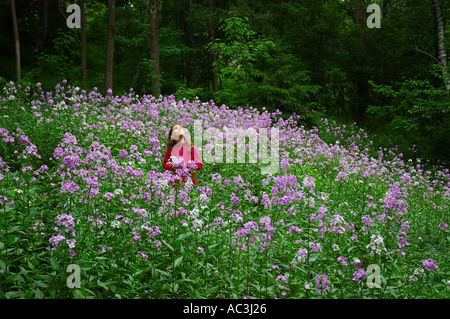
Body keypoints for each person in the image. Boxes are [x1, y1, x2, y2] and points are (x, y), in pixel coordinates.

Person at [162, 123, 203, 192]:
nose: (179, 129)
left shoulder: (191, 148)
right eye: (176, 128)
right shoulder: (170, 149)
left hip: (189, 183)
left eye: (180, 128)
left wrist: (187, 165)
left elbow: (199, 164)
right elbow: (165, 164)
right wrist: (173, 165)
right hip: (174, 184)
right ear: (172, 136)